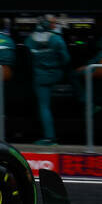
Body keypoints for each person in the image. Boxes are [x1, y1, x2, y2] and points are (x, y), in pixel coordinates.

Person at [25, 15, 70, 145]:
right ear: (48, 24)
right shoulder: (57, 39)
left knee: (44, 106)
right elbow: (66, 60)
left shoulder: (30, 39)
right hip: (57, 75)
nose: (55, 25)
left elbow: (28, 60)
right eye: (54, 23)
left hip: (40, 77)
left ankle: (49, 138)